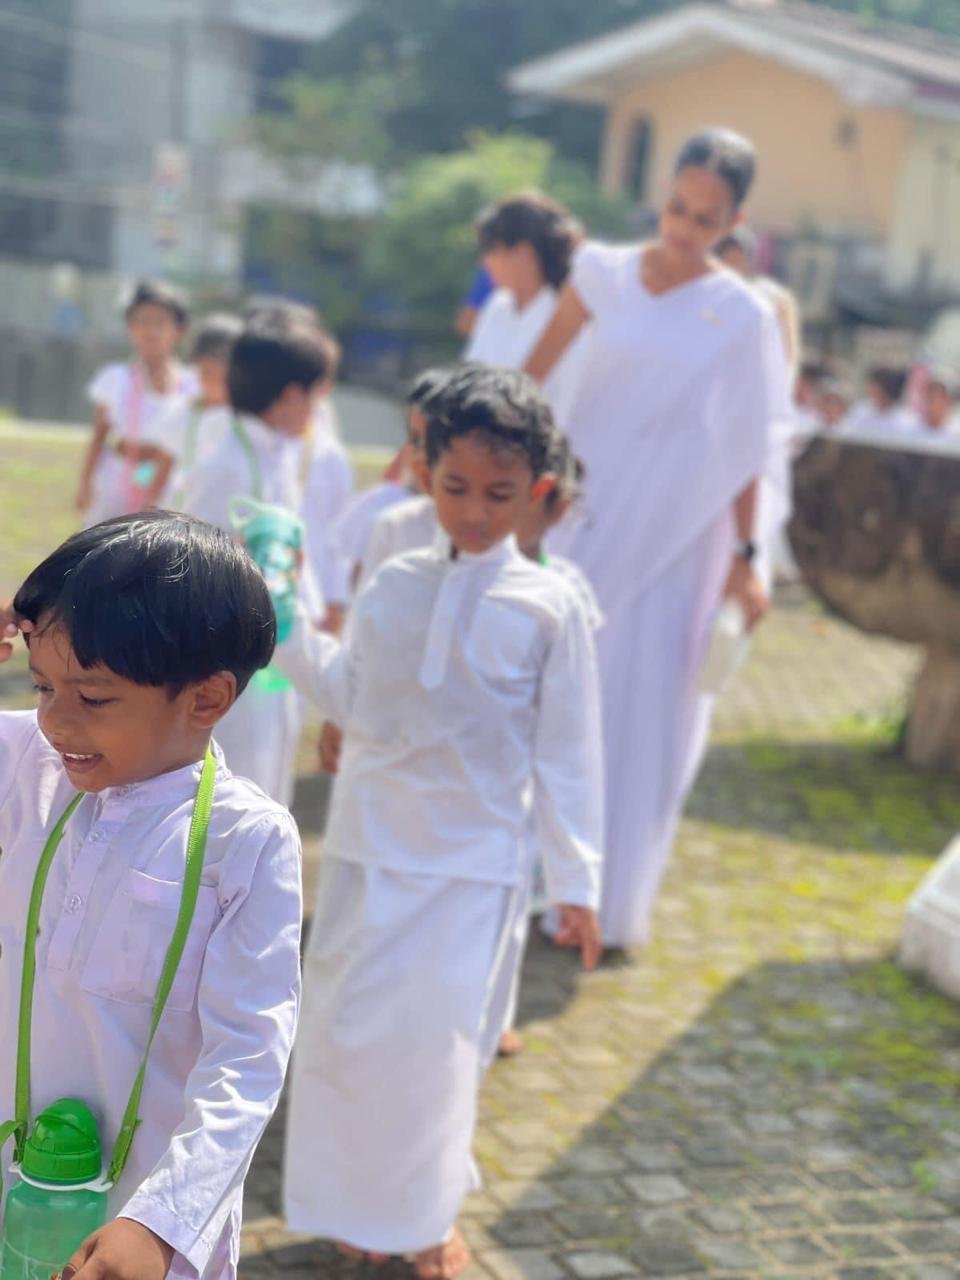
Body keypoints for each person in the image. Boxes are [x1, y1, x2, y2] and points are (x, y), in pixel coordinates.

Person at [279, 367, 604, 1279]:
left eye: (499, 493)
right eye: (455, 486)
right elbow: (349, 694)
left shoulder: (551, 607)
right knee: (344, 1037)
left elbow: (570, 753)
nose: (472, 510)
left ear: (537, 489)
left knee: (438, 1052)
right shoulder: (392, 583)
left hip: (472, 868)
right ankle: (350, 1204)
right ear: (423, 472)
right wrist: (283, 617)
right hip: (367, 852)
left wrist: (576, 883)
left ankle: (424, 1220)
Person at [0, 511, 301, 1280]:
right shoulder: (26, 764)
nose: (56, 719)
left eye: (94, 698)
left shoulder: (248, 840)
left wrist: (162, 1221)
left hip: (141, 1223)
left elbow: (247, 1059)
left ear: (206, 699)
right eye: (41, 686)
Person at [525, 127, 784, 949]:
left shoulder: (744, 316)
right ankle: (523, 878)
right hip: (580, 512)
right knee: (548, 689)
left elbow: (748, 447)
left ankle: (600, 899)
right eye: (677, 208)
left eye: (705, 219)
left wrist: (747, 559)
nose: (684, 229)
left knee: (637, 715)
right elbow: (529, 377)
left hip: (677, 536)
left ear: (733, 221)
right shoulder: (600, 271)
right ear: (663, 195)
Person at [179, 307, 336, 806]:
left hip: (273, 658)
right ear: (290, 396)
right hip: (232, 664)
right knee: (235, 793)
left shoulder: (277, 454)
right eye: (315, 393)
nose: (318, 407)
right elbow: (192, 569)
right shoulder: (227, 465)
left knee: (268, 785)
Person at [493, 433, 604, 1059]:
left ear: (557, 506)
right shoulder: (469, 570)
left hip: (535, 759)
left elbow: (576, 686)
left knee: (514, 901)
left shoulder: (565, 586)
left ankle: (499, 1011)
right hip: (483, 763)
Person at [76, 281, 197, 524]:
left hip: (168, 486)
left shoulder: (192, 385)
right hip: (116, 481)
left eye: (160, 322)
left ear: (179, 330)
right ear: (130, 328)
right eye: (142, 321)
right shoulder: (115, 378)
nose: (150, 331)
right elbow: (99, 435)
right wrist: (86, 482)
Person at [466, 193, 588, 425]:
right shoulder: (497, 306)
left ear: (522, 253)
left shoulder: (567, 317)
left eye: (490, 249)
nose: (484, 262)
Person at [335, 368, 447, 591]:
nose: (420, 454)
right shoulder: (388, 512)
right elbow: (357, 586)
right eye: (414, 439)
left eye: (435, 441)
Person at [164, 313, 243, 508]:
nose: (215, 382)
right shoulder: (182, 414)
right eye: (207, 373)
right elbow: (161, 466)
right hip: (184, 513)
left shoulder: (249, 419)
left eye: (223, 374)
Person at [844, 366, 918, 439]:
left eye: (875, 387)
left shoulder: (906, 420)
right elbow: (845, 434)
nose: (870, 391)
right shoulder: (861, 411)